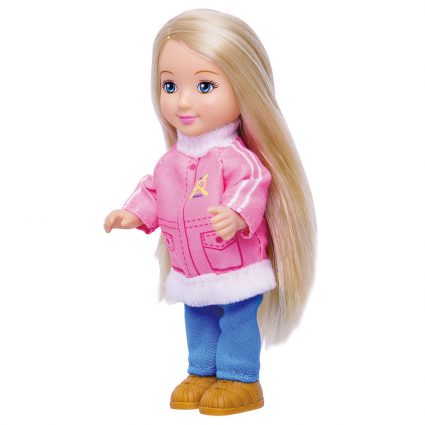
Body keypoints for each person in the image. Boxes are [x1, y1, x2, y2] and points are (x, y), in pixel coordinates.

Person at [104, 9, 316, 416]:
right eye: (169, 85)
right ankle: (201, 371)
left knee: (237, 318)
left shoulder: (236, 158)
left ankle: (240, 377)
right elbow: (154, 189)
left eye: (205, 86)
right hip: (191, 266)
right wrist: (133, 214)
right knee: (197, 318)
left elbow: (254, 184)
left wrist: (236, 214)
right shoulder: (171, 162)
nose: (183, 101)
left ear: (244, 88)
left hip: (235, 264)